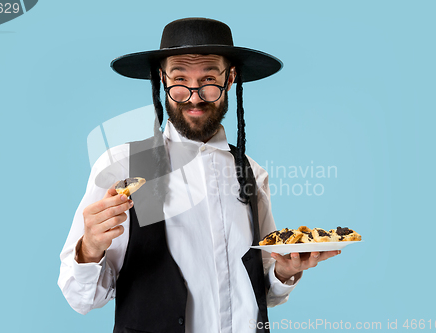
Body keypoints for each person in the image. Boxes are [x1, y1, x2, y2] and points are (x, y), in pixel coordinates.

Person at [58, 18, 340, 333]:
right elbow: (81, 298)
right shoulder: (127, 167)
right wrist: (91, 246)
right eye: (180, 79)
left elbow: (260, 291)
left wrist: (284, 271)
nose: (194, 97)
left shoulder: (251, 172)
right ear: (161, 79)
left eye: (208, 79)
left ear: (230, 79)